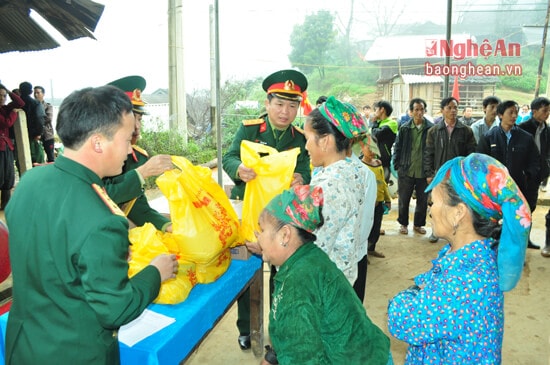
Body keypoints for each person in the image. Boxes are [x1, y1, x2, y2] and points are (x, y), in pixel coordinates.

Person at [4, 85, 178, 364]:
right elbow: (117, 309)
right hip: (75, 352)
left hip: (25, 346)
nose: (129, 148)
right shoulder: (103, 218)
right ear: (98, 142)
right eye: (125, 139)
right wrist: (155, 273)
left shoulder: (30, 183)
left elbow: (49, 253)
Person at [388, 153, 530, 364]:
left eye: (434, 202)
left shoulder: (467, 279)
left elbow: (403, 321)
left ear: (458, 213)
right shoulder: (466, 255)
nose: (431, 211)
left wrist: (408, 294)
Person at [222, 69, 311, 350]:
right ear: (267, 103)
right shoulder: (250, 129)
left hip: (283, 218)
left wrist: (302, 178)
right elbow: (229, 156)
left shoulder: (299, 137)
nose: (285, 112)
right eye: (280, 104)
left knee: (281, 273)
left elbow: (305, 168)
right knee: (248, 270)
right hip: (250, 212)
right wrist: (239, 169)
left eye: (292, 105)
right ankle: (247, 327)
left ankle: (276, 325)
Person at [258, 185, 391, 365]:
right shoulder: (308, 257)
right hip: (369, 353)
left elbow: (303, 358)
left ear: (285, 235)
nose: (258, 237)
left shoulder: (298, 281)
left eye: (263, 230)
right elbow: (297, 328)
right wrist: (273, 356)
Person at [304, 96, 372, 300]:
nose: (306, 146)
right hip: (343, 277)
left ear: (324, 141)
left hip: (324, 285)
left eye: (307, 138)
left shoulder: (327, 186)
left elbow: (312, 245)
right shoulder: (354, 170)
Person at [104, 76, 173, 232]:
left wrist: (168, 227)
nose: (137, 127)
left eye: (140, 119)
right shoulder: (95, 154)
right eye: (132, 119)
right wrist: (142, 173)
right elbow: (99, 197)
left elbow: (136, 206)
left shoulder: (136, 157)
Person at [477, 100, 540, 250]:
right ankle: (493, 250)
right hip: (494, 190)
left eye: (516, 113)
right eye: (510, 112)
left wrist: (527, 176)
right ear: (500, 114)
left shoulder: (526, 138)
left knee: (515, 222)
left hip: (518, 189)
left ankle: (514, 254)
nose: (514, 116)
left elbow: (534, 161)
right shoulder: (488, 137)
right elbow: (480, 163)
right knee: (493, 221)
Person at [424, 96, 477, 243]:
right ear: (442, 110)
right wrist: (429, 174)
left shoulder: (466, 131)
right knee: (437, 205)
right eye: (449, 108)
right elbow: (428, 153)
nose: (453, 111)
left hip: (458, 176)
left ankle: (455, 232)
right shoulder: (434, 131)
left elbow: (471, 155)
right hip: (439, 175)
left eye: (455, 108)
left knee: (457, 204)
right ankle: (435, 231)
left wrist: (468, 175)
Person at [393, 98, 434, 237]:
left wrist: (431, 170)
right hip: (406, 170)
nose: (419, 112)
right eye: (416, 109)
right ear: (411, 111)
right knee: (404, 199)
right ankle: (403, 224)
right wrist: (397, 165)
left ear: (425, 111)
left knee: (423, 200)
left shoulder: (430, 128)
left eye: (421, 109)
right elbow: (397, 147)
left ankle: (418, 225)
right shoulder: (404, 128)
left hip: (423, 171)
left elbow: (432, 150)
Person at [519, 97, 550, 257]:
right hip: (523, 175)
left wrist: (546, 168)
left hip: (538, 175)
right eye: (545, 110)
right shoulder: (522, 128)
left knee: (531, 207)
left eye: (549, 110)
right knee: (520, 209)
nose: (547, 113)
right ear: (534, 111)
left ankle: (527, 240)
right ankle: (518, 242)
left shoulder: (547, 129)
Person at [359, 134, 390, 258]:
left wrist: (387, 199)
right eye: (368, 148)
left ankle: (371, 249)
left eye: (374, 148)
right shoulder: (360, 166)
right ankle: (363, 254)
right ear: (361, 147)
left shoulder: (378, 163)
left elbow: (382, 182)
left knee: (376, 228)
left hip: (379, 202)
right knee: (366, 229)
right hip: (367, 206)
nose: (372, 151)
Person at [0, 84, 24, 210]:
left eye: (4, 96)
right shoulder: (6, 112)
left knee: (8, 176)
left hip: (6, 146)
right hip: (1, 147)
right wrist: (14, 114)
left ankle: (6, 205)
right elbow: (7, 123)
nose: (2, 98)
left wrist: (7, 90)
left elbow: (20, 103)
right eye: (0, 95)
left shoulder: (5, 108)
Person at [18, 81, 45, 164]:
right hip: (33, 136)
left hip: (18, 137)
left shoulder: (14, 104)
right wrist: (38, 133)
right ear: (31, 92)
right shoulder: (36, 103)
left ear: (20, 91)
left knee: (21, 162)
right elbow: (39, 119)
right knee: (37, 161)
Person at [371, 100, 398, 182]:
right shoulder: (379, 123)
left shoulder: (392, 123)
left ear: (382, 109)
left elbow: (376, 135)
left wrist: (375, 122)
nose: (375, 112)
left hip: (384, 160)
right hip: (373, 159)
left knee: (382, 185)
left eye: (376, 110)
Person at [33, 85, 55, 162]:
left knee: (51, 157)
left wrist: (37, 122)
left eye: (38, 93)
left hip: (47, 135)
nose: (36, 95)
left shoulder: (48, 106)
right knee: (37, 158)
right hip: (35, 136)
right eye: (35, 93)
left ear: (43, 94)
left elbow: (48, 118)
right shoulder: (32, 106)